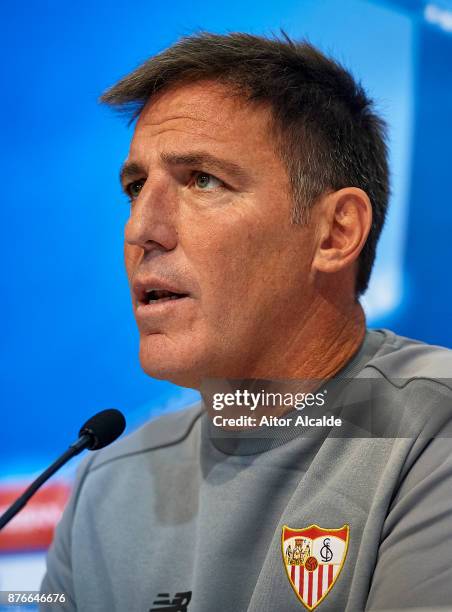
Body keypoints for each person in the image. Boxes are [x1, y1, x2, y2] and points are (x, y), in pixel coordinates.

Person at [40, 31, 452, 611]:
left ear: (335, 233)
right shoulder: (105, 484)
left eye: (203, 180)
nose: (140, 230)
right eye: (136, 188)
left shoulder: (435, 432)